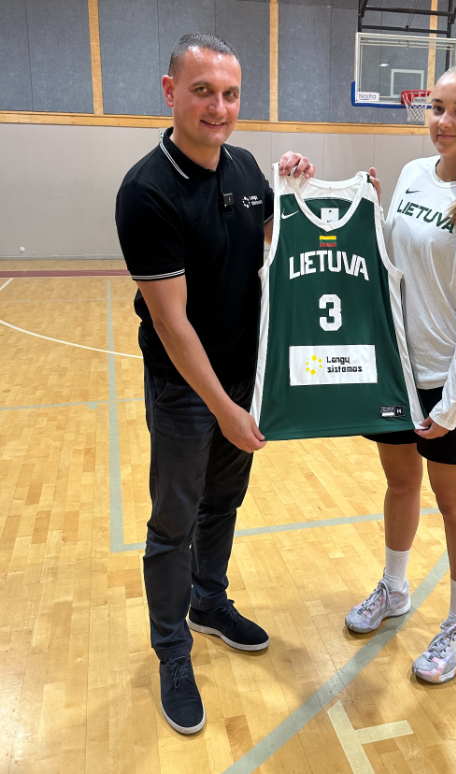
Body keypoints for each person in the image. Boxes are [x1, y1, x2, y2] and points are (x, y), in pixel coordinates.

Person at [115, 33, 314, 735]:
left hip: (243, 377)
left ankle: (208, 600)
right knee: (173, 522)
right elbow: (171, 324)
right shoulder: (147, 191)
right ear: (171, 92)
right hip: (185, 389)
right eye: (202, 91)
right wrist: (224, 407)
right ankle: (172, 651)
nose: (219, 107)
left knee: (222, 502)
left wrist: (303, 191)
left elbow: (277, 240)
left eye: (230, 94)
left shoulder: (246, 166)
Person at [345, 63, 456, 684]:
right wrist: (365, 204)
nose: (443, 121)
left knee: (455, 504)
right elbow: (393, 255)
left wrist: (452, 404)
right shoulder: (414, 174)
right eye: (437, 107)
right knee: (399, 484)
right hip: (399, 366)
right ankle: (394, 589)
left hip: (452, 378)